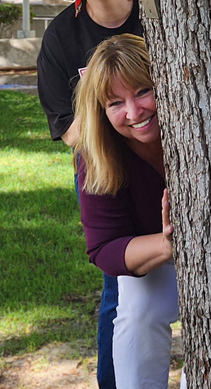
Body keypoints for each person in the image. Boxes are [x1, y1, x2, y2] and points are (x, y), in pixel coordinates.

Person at [36, 0, 142, 388]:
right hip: (112, 171)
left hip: (180, 163)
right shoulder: (62, 37)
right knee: (120, 291)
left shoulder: (163, 13)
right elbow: (68, 128)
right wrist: (127, 122)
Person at [74, 34, 178, 389]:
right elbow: (105, 248)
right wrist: (167, 244)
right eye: (116, 102)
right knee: (137, 311)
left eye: (144, 91)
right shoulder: (97, 155)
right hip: (161, 258)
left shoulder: (200, 126)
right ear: (101, 111)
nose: (134, 113)